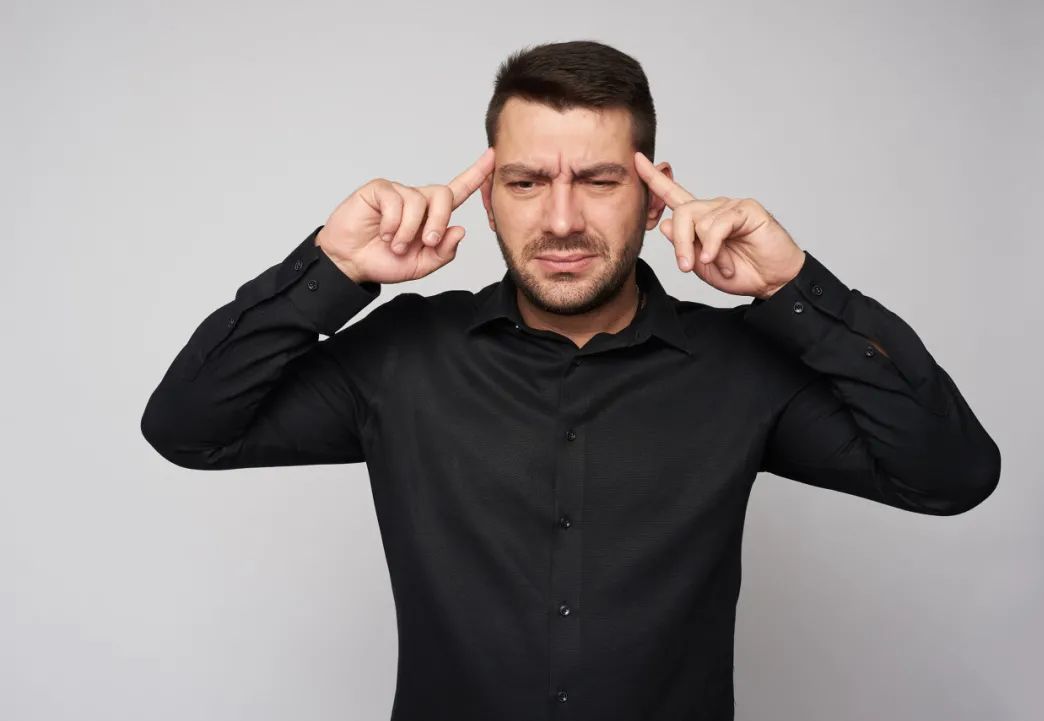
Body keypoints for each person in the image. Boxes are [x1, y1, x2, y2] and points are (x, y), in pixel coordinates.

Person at [141, 40, 1000, 721]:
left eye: (598, 180)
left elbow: (951, 473)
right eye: (525, 182)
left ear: (653, 198)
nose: (560, 219)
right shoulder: (403, 355)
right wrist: (331, 267)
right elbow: (188, 426)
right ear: (489, 199)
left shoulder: (740, 366)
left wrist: (794, 285)